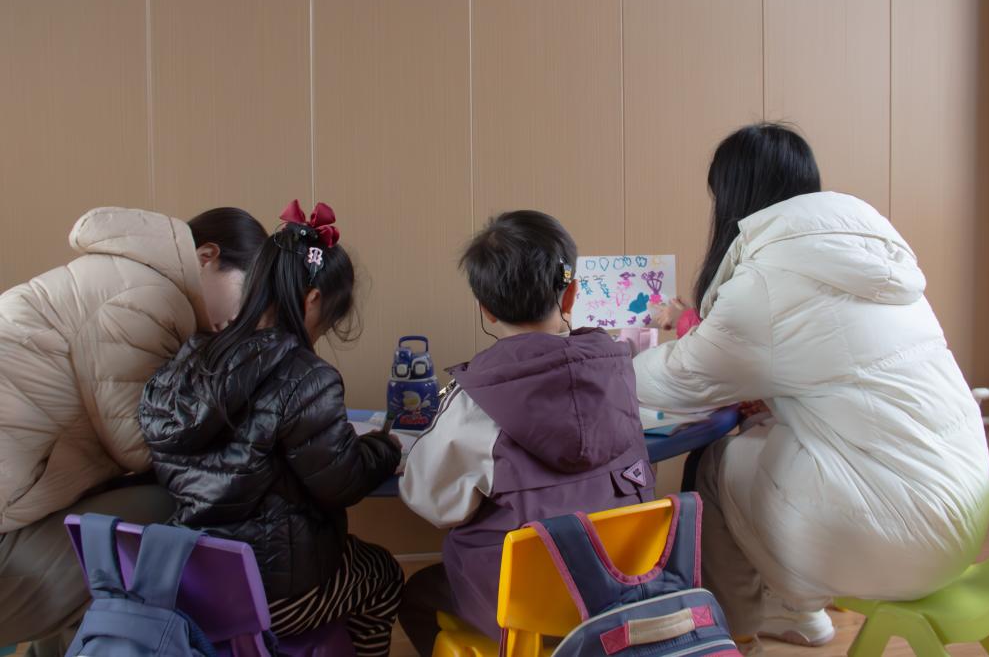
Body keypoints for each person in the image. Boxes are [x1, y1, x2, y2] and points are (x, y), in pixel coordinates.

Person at [632, 123, 989, 647]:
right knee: (766, 437)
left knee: (714, 469)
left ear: (733, 196)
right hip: (964, 510)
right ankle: (800, 612)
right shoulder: (872, 258)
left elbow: (677, 380)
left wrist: (595, 366)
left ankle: (737, 633)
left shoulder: (767, 281)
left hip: (903, 536)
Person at [140, 200, 403, 657]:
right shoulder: (305, 376)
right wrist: (387, 447)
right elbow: (341, 482)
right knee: (382, 574)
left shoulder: (191, 357)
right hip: (273, 597)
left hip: (190, 583)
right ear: (312, 300)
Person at [0, 205, 266, 654]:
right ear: (207, 257)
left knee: (113, 535)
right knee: (173, 511)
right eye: (249, 292)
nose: (242, 317)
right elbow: (142, 445)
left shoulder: (118, 275)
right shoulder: (151, 296)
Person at [397, 210, 653, 655]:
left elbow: (433, 502)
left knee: (417, 595)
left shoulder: (477, 402)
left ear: (485, 308)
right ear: (570, 293)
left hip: (523, 614)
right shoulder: (622, 374)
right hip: (619, 594)